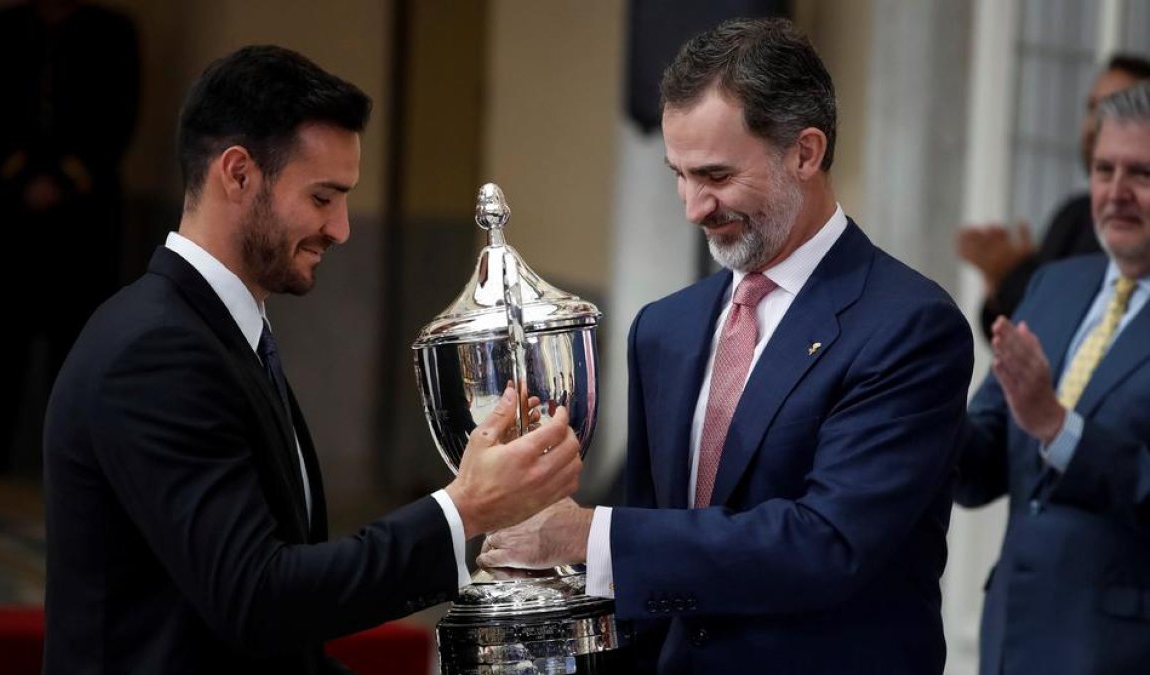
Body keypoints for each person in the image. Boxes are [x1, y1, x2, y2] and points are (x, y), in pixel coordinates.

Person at [41, 45, 582, 675]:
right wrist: (463, 510)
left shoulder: (216, 333)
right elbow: (256, 599)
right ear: (238, 174)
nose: (343, 228)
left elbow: (272, 638)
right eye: (323, 198)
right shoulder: (154, 352)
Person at [479, 18, 974, 674]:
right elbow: (653, 574)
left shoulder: (909, 326)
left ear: (805, 152)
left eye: (714, 174)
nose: (693, 206)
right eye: (678, 174)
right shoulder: (665, 327)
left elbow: (824, 544)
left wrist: (588, 534)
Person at [955, 82, 1150, 675]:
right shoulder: (1055, 284)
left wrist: (1058, 428)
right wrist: (918, 407)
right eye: (1103, 169)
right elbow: (981, 466)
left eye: (1141, 174)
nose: (1115, 193)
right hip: (1013, 635)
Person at [0, 0, 140, 475]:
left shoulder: (112, 33)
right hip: (7, 211)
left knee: (79, 337)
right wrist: (20, 174)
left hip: (84, 218)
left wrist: (66, 177)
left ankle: (75, 456)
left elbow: (117, 115)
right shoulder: (2, 29)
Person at [957, 54, 1150, 341]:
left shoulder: (1127, 230)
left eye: (1140, 172)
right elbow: (1024, 334)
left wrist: (1010, 273)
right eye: (1092, 108)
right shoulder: (1075, 213)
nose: (1097, 124)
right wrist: (1001, 281)